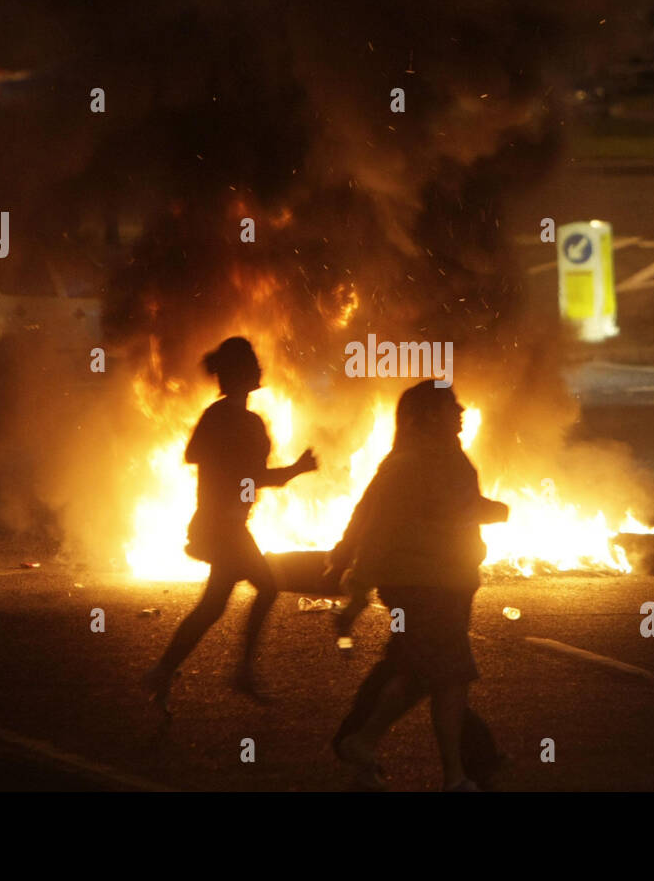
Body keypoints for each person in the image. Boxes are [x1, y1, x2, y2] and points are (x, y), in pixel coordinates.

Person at [330, 380, 508, 791]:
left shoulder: (450, 458)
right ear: (427, 414)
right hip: (421, 585)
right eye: (451, 406)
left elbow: (456, 508)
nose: (461, 411)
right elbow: (378, 528)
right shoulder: (407, 465)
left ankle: (360, 740)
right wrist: (357, 586)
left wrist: (494, 511)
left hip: (452, 582)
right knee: (450, 676)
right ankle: (457, 776)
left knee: (417, 674)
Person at [143, 337, 317, 707]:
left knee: (213, 606)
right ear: (241, 373)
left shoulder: (221, 415)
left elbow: (200, 456)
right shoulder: (237, 419)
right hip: (225, 526)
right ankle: (242, 671)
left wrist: (246, 469)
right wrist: (295, 470)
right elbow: (251, 475)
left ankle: (163, 670)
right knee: (268, 586)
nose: (259, 368)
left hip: (220, 523)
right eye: (252, 363)